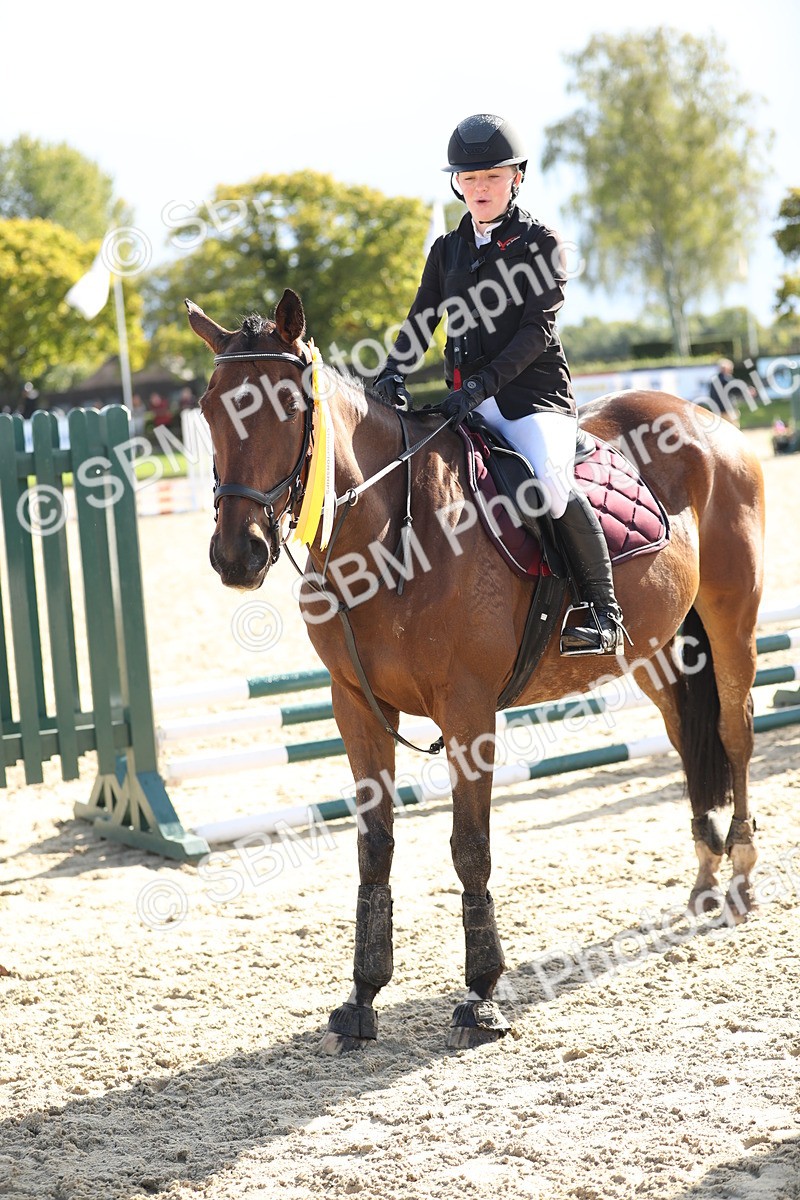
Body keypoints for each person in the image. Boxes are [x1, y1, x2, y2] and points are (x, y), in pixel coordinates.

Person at [373, 113, 625, 655]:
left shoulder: (541, 244)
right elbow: (422, 320)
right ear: (457, 184)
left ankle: (604, 612)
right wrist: (391, 371)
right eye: (470, 179)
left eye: (492, 177)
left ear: (516, 179)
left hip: (532, 402)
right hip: (466, 404)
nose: (479, 188)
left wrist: (480, 386)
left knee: (551, 485)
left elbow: (536, 332)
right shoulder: (447, 250)